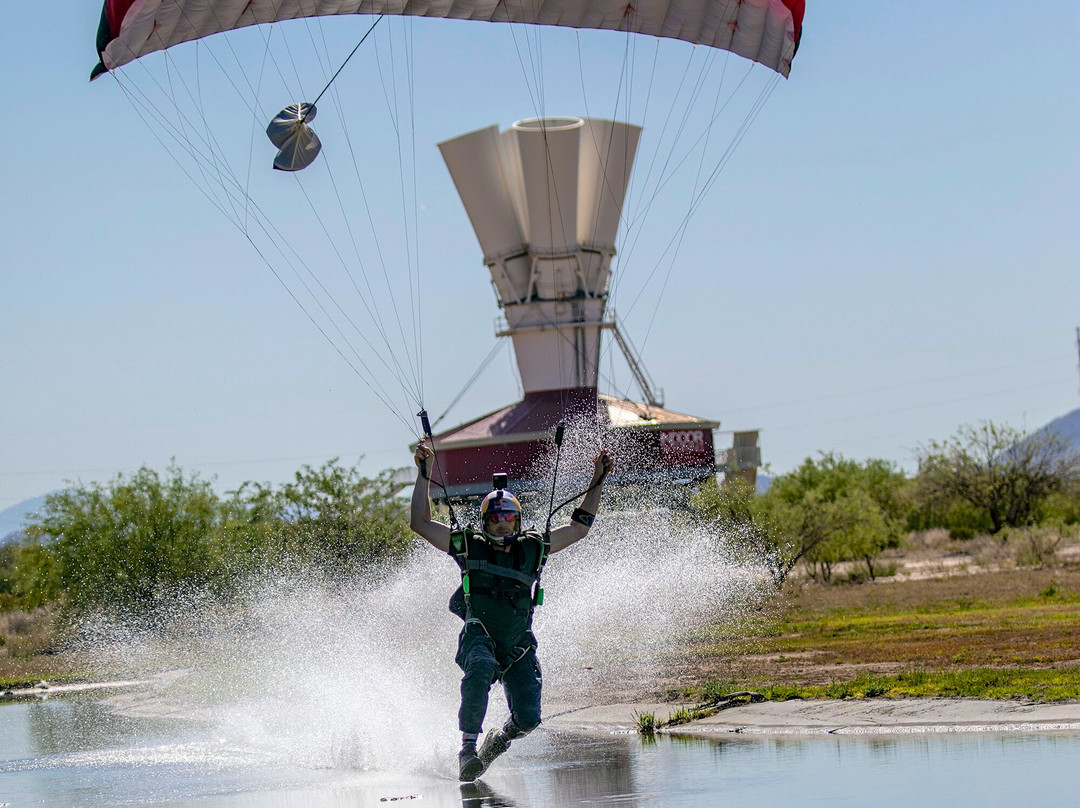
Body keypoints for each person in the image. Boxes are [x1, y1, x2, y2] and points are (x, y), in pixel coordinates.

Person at [410, 441, 614, 782]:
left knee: (529, 718)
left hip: (518, 645)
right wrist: (425, 473)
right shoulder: (468, 545)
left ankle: (497, 741)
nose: (503, 525)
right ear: (485, 523)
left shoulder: (533, 548)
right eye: (496, 520)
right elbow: (420, 522)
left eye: (508, 519)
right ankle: (467, 750)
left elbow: (579, 528)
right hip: (480, 637)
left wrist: (598, 479)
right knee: (481, 668)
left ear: (517, 521)